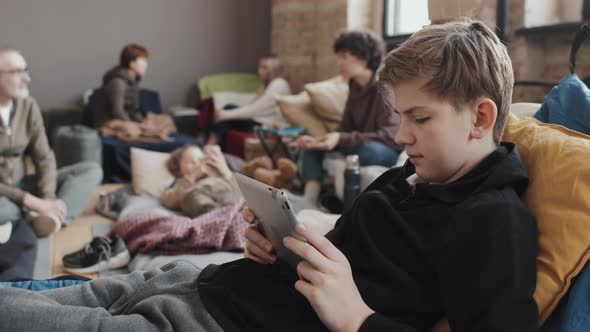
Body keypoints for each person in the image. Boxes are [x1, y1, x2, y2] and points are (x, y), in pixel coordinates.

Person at [0, 19, 539, 332]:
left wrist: (357, 319)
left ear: (481, 117)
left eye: (420, 120)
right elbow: (354, 250)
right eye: (403, 119)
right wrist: (285, 244)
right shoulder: (410, 179)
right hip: (200, 283)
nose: (401, 137)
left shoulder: (493, 221)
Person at [293, 30, 403, 206]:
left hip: (385, 150)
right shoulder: (355, 86)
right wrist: (321, 140)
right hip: (358, 144)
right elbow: (345, 128)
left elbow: (389, 136)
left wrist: (340, 138)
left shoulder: (385, 85)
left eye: (344, 57)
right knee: (312, 147)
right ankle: (309, 199)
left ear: (363, 57)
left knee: (366, 150)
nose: (339, 63)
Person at [0, 48, 103, 238]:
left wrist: (48, 198)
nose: (27, 78)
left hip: (23, 184)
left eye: (26, 70)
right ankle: (37, 217)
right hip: (4, 196)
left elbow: (44, 157)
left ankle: (48, 218)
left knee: (90, 171)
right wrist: (31, 201)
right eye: (17, 72)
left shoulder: (28, 105)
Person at [207, 55, 291, 145]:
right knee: (227, 111)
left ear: (274, 69)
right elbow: (252, 107)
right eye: (259, 67)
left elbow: (256, 110)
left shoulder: (279, 84)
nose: (259, 71)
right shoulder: (265, 86)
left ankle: (208, 145)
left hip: (266, 127)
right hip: (257, 122)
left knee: (227, 110)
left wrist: (224, 114)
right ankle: (209, 144)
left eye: (264, 68)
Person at [161, 144, 240, 217]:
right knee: (191, 196)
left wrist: (226, 173)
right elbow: (170, 200)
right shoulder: (180, 182)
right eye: (190, 161)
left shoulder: (216, 175)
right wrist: (193, 176)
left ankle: (234, 215)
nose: (197, 163)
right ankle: (221, 217)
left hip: (230, 199)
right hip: (207, 205)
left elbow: (239, 191)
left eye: (200, 159)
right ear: (179, 170)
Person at [93, 44, 149, 128]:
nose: (146, 65)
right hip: (109, 122)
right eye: (143, 61)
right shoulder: (117, 82)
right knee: (133, 130)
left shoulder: (134, 81)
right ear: (132, 63)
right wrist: (134, 125)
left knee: (163, 121)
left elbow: (134, 110)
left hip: (125, 120)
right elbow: (117, 112)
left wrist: (143, 123)